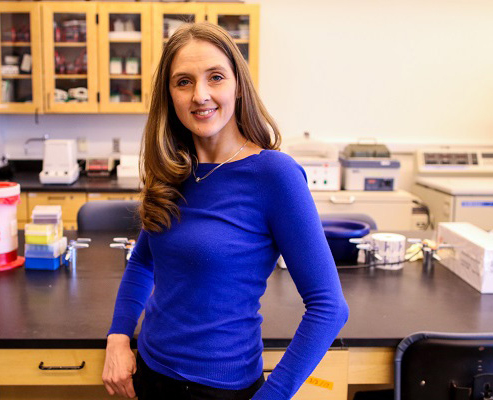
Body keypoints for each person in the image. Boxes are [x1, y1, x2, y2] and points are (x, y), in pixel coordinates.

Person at [102, 22, 349, 400]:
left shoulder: (274, 175)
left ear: (237, 84)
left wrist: (273, 395)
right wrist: (118, 338)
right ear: (169, 95)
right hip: (150, 374)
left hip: (221, 389)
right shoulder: (171, 168)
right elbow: (143, 262)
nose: (200, 94)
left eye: (215, 77)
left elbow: (329, 308)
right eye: (183, 81)